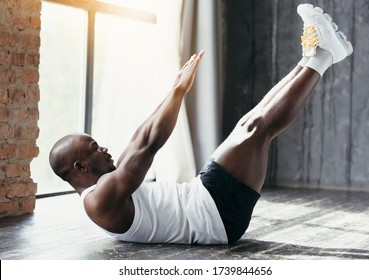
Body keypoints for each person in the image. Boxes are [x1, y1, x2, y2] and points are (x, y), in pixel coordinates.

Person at [49, 4, 353, 245]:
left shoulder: (105, 185)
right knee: (257, 129)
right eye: (93, 148)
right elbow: (149, 144)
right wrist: (179, 92)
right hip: (215, 215)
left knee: (250, 122)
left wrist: (173, 89)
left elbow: (139, 137)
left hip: (205, 199)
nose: (102, 148)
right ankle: (321, 56)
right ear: (80, 167)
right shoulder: (100, 201)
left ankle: (315, 56)